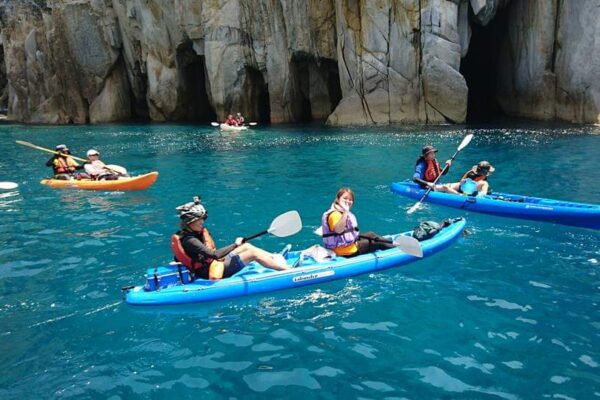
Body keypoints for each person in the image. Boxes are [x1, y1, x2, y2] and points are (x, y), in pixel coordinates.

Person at [171, 197, 290, 280]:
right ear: (189, 222)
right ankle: (288, 270)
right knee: (252, 253)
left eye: (203, 218)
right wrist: (235, 245)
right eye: (199, 219)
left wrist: (238, 245)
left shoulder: (190, 233)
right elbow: (215, 255)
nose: (202, 222)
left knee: (247, 246)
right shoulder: (189, 240)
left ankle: (274, 257)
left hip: (210, 263)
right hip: (209, 271)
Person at [321, 188, 396, 257]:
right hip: (345, 252)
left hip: (346, 246)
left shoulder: (339, 211)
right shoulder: (335, 214)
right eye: (345, 198)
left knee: (370, 234)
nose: (348, 201)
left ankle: (393, 244)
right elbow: (338, 230)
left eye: (350, 199)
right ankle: (397, 250)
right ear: (337, 199)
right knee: (377, 243)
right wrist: (346, 211)